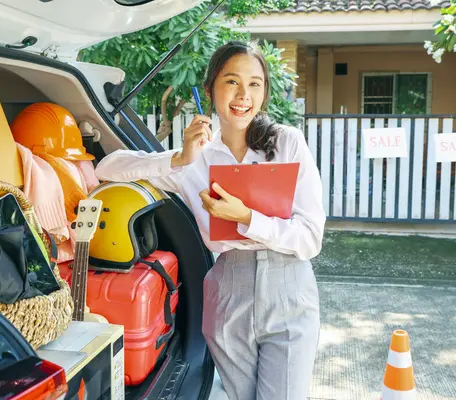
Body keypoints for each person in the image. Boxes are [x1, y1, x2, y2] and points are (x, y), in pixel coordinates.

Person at [95, 40, 325, 400]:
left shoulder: (286, 144)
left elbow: (311, 238)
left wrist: (247, 217)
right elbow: (107, 168)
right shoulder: (195, 160)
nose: (243, 94)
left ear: (263, 92)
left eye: (254, 83)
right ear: (210, 90)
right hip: (227, 290)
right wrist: (177, 159)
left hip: (288, 288)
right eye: (232, 81)